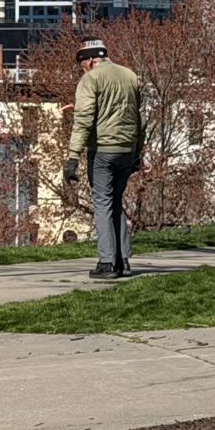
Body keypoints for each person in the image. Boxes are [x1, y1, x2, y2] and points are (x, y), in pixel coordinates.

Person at [62, 36, 143, 279]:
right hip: (127, 150)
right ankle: (123, 259)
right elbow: (139, 118)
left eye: (82, 65)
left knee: (103, 203)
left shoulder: (91, 79)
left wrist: (73, 157)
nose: (82, 70)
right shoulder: (130, 75)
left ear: (89, 61)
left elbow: (85, 120)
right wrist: (138, 151)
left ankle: (107, 263)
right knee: (115, 201)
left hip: (103, 150)